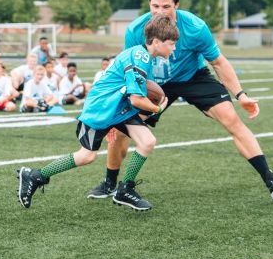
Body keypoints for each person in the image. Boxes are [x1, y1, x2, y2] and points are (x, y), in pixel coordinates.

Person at [88, 0, 273, 202]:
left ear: (176, 5)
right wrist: (116, 109)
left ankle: (270, 180)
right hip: (154, 83)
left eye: (165, 6)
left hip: (191, 77)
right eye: (155, 6)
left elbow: (219, 63)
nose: (160, 12)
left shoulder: (195, 28)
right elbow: (129, 68)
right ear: (149, 4)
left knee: (231, 118)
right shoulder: (136, 30)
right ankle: (110, 183)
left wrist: (241, 95)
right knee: (120, 130)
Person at [17, 15, 178, 211]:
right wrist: (158, 108)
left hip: (118, 107)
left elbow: (137, 97)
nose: (174, 48)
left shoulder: (145, 58)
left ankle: (124, 189)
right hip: (101, 108)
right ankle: (35, 175)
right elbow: (137, 99)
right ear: (156, 42)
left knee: (147, 141)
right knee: (87, 156)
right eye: (171, 44)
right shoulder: (140, 57)